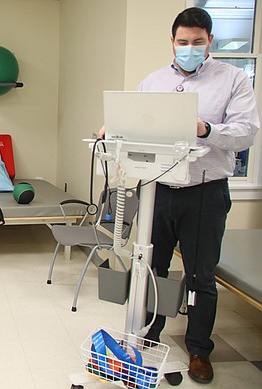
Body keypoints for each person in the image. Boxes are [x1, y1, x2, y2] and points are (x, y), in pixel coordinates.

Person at [134, 7, 259, 385]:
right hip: (158, 189)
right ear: (172, 42)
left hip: (205, 192)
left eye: (197, 42)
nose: (189, 48)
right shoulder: (153, 81)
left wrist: (205, 129)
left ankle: (199, 350)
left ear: (209, 42)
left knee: (201, 277)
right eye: (183, 42)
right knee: (152, 269)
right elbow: (139, 127)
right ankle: (149, 333)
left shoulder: (233, 80)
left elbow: (246, 134)